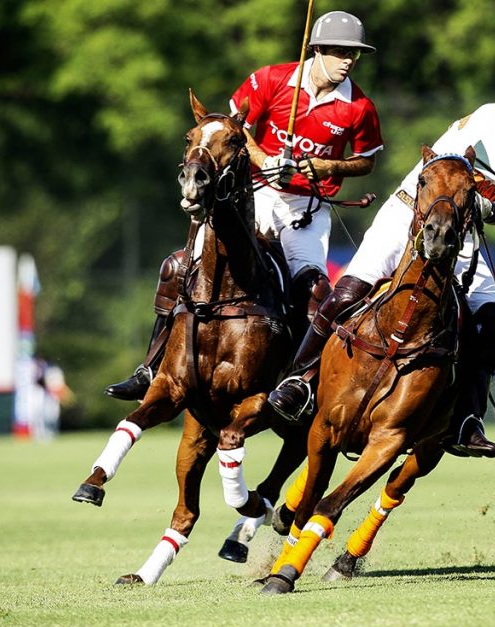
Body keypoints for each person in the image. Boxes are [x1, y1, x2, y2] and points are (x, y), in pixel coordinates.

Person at [267, 58, 495, 459]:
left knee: (493, 324)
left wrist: (490, 210)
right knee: (349, 291)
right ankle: (299, 379)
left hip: (461, 237)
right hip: (408, 217)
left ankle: (466, 421)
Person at [105, 10, 383, 401]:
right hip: (258, 196)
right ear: (316, 49)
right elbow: (235, 129)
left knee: (315, 290)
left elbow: (366, 160)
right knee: (179, 266)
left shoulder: (358, 106)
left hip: (308, 208)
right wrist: (266, 161)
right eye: (340, 52)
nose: (349, 61)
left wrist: (322, 165)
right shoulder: (270, 79)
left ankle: (299, 382)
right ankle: (149, 368)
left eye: (354, 54)